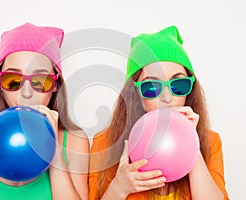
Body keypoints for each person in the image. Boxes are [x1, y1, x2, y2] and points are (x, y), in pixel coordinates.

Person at [0, 23, 89, 200]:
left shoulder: (74, 140)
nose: (26, 92)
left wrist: (55, 153)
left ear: (55, 85)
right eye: (13, 80)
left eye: (40, 81)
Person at [89, 26, 229, 199]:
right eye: (152, 87)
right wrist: (119, 188)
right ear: (134, 94)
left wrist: (192, 146)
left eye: (178, 84)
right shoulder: (105, 142)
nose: (167, 98)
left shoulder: (210, 142)